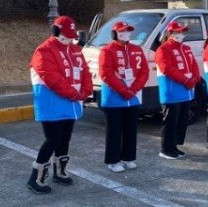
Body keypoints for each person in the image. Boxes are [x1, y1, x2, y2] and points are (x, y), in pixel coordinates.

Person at [28, 16, 93, 194]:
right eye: (66, 35)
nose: (69, 39)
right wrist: (74, 94)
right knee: (53, 139)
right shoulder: (44, 50)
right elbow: (51, 78)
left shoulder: (74, 49)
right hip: (51, 104)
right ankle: (35, 177)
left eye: (72, 36)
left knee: (65, 138)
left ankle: (60, 172)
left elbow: (85, 71)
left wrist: (86, 91)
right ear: (56, 32)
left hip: (71, 104)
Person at [99, 21, 149, 171]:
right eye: (122, 31)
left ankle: (128, 158)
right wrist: (123, 90)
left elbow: (144, 72)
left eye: (128, 31)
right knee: (114, 131)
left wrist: (133, 89)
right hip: (114, 98)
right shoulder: (107, 50)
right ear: (115, 33)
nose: (126, 33)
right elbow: (105, 73)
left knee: (131, 129)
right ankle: (113, 161)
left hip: (133, 97)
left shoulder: (137, 49)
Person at [155, 22, 199, 159]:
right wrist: (186, 81)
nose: (181, 34)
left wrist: (195, 79)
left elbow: (194, 66)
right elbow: (167, 68)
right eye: (177, 32)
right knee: (170, 122)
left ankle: (174, 146)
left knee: (181, 121)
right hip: (172, 92)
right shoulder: (163, 49)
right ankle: (165, 149)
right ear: (170, 33)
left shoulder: (186, 48)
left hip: (186, 92)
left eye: (182, 32)